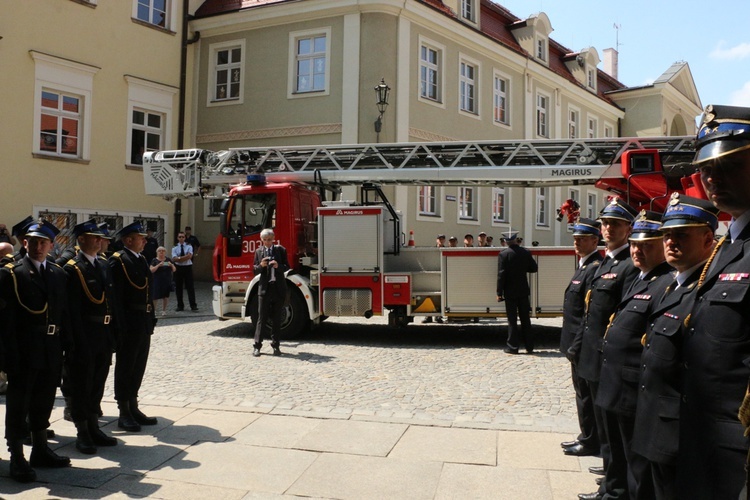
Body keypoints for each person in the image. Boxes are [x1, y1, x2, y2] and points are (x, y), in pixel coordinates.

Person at [677, 104, 750, 499]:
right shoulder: (728, 245)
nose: (713, 178)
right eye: (707, 169)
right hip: (706, 436)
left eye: (731, 165)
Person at [632, 193, 719, 500]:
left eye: (681, 234)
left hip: (678, 431)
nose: (670, 242)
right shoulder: (672, 285)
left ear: (708, 239)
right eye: (667, 235)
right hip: (653, 420)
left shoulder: (704, 290)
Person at [595, 211, 673, 500]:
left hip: (633, 386)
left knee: (638, 464)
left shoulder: (664, 282)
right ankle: (614, 491)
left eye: (647, 245)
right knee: (621, 452)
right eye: (635, 245)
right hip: (617, 382)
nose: (638, 251)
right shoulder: (641, 278)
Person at [575, 197, 639, 500]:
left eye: (616, 223)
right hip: (593, 356)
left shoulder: (628, 265)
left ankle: (615, 488)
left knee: (614, 433)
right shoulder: (607, 263)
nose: (609, 228)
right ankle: (609, 482)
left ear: (629, 228)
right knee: (606, 430)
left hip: (607, 359)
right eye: (605, 223)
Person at [0, 220, 71, 482]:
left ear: (52, 245)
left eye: (44, 242)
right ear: (25, 243)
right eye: (34, 241)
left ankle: (40, 449)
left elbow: (63, 314)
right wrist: (7, 355)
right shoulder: (11, 273)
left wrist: (68, 347)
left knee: (44, 401)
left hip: (51, 348)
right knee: (19, 403)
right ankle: (16, 455)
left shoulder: (57, 273)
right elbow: (5, 321)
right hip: (23, 349)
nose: (39, 247)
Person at [63, 220, 118, 454]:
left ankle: (94, 426)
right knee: (81, 384)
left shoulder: (103, 265)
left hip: (102, 334)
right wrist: (75, 340)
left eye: (100, 237)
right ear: (81, 239)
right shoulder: (72, 268)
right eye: (94, 237)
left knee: (97, 381)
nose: (100, 240)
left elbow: (110, 303)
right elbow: (72, 310)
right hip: (84, 333)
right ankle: (82, 430)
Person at [559, 218, 603, 467]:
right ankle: (586, 435)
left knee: (586, 395)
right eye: (575, 238)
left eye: (582, 238)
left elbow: (588, 314)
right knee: (581, 393)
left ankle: (590, 440)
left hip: (583, 345)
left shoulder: (595, 267)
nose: (576, 242)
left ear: (595, 240)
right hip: (576, 344)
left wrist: (576, 346)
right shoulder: (584, 265)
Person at [109, 222, 157, 432]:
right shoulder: (119, 261)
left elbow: (147, 291)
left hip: (142, 320)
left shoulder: (141, 259)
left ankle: (134, 404)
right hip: (129, 322)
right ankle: (124, 410)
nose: (145, 240)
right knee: (126, 366)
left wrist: (151, 317)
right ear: (128, 240)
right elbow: (115, 297)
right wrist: (119, 325)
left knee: (138, 366)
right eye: (140, 237)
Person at [496, 231, 538, 354]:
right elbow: (534, 268)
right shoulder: (525, 252)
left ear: (506, 241)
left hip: (510, 291)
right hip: (523, 290)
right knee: (525, 319)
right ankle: (529, 346)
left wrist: (499, 292)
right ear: (515, 240)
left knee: (512, 320)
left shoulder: (504, 255)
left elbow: (501, 275)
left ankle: (513, 347)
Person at [253, 228, 290, 357]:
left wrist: (278, 266)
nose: (267, 242)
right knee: (261, 318)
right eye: (265, 240)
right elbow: (255, 270)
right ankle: (257, 346)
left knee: (276, 319)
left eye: (269, 240)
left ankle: (276, 346)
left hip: (278, 288)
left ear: (273, 239)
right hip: (264, 289)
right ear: (261, 240)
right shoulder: (258, 252)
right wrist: (261, 266)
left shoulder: (280, 250)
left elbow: (287, 267)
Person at [171, 231, 197, 312]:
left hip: (187, 268)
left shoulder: (189, 246)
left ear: (185, 238)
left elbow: (189, 257)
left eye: (182, 237)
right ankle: (180, 305)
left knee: (190, 287)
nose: (181, 238)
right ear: (177, 238)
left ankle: (193, 305)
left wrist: (179, 258)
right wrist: (181, 258)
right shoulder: (174, 248)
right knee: (178, 287)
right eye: (180, 237)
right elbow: (174, 259)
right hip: (178, 268)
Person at [424, 235, 446, 324]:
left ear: (444, 240)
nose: (441, 240)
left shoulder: (446, 250)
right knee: (429, 295)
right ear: (436, 240)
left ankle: (438, 316)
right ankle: (428, 316)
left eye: (442, 239)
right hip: (432, 275)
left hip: (442, 275)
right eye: (439, 239)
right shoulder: (431, 250)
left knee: (440, 297)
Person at [150, 246, 176, 315]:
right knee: (155, 296)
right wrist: (158, 265)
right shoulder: (154, 260)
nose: (161, 252)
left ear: (165, 252)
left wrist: (171, 265)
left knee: (165, 296)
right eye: (159, 251)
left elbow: (174, 270)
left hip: (166, 280)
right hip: (157, 280)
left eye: (163, 251)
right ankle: (154, 310)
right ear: (157, 252)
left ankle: (164, 310)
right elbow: (151, 270)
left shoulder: (168, 260)